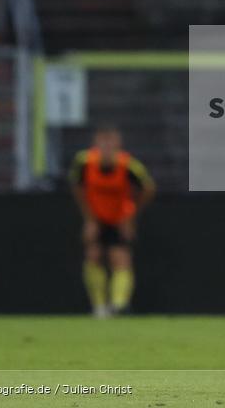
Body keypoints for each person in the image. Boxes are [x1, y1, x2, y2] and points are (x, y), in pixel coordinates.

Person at [69, 125, 155, 317]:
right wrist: (89, 219)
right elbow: (76, 187)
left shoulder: (129, 165)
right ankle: (99, 307)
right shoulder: (84, 162)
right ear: (95, 144)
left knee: (120, 258)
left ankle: (119, 305)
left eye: (111, 142)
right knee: (93, 255)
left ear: (118, 144)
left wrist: (130, 218)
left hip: (119, 218)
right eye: (103, 142)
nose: (107, 147)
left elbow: (149, 188)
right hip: (96, 217)